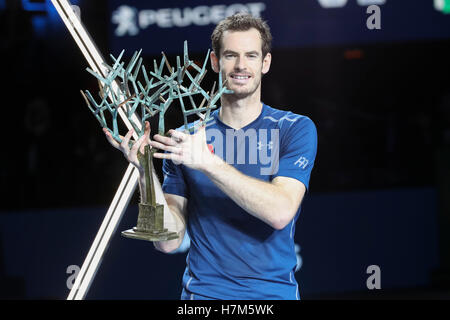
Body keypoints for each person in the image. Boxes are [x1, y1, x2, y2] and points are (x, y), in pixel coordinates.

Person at [104, 13, 317, 300]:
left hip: (273, 297)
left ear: (265, 63)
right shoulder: (184, 141)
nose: (241, 65)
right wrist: (145, 171)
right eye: (231, 55)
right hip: (204, 298)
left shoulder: (294, 129)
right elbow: (167, 242)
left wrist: (207, 162)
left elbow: (280, 212)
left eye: (251, 56)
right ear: (215, 62)